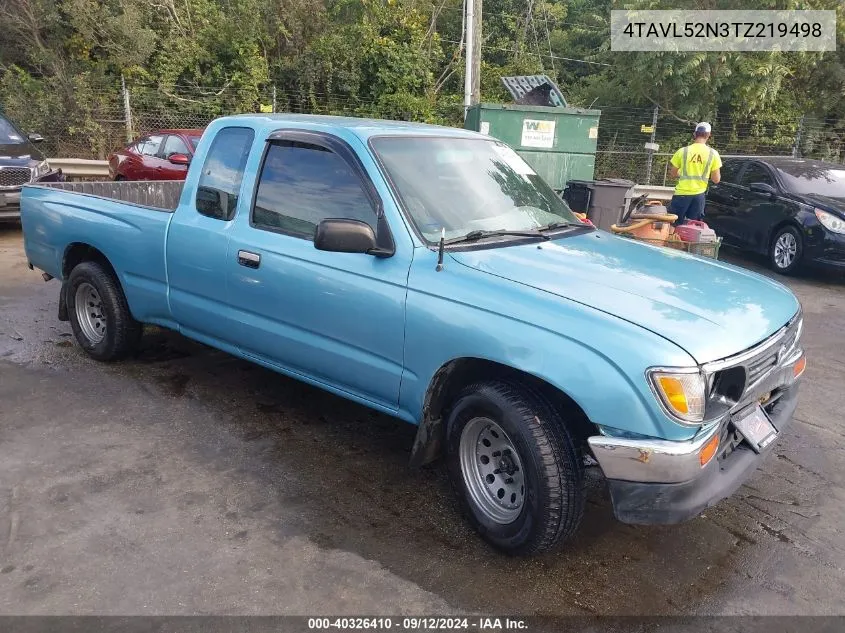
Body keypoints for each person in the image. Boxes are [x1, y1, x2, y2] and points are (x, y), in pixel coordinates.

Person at [668, 122, 721, 225]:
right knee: (693, 228)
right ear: (709, 135)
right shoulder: (713, 154)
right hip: (698, 196)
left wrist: (683, 174)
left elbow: (673, 174)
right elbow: (716, 179)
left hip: (681, 194)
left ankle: (671, 240)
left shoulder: (682, 151)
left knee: (672, 225)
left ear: (694, 134)